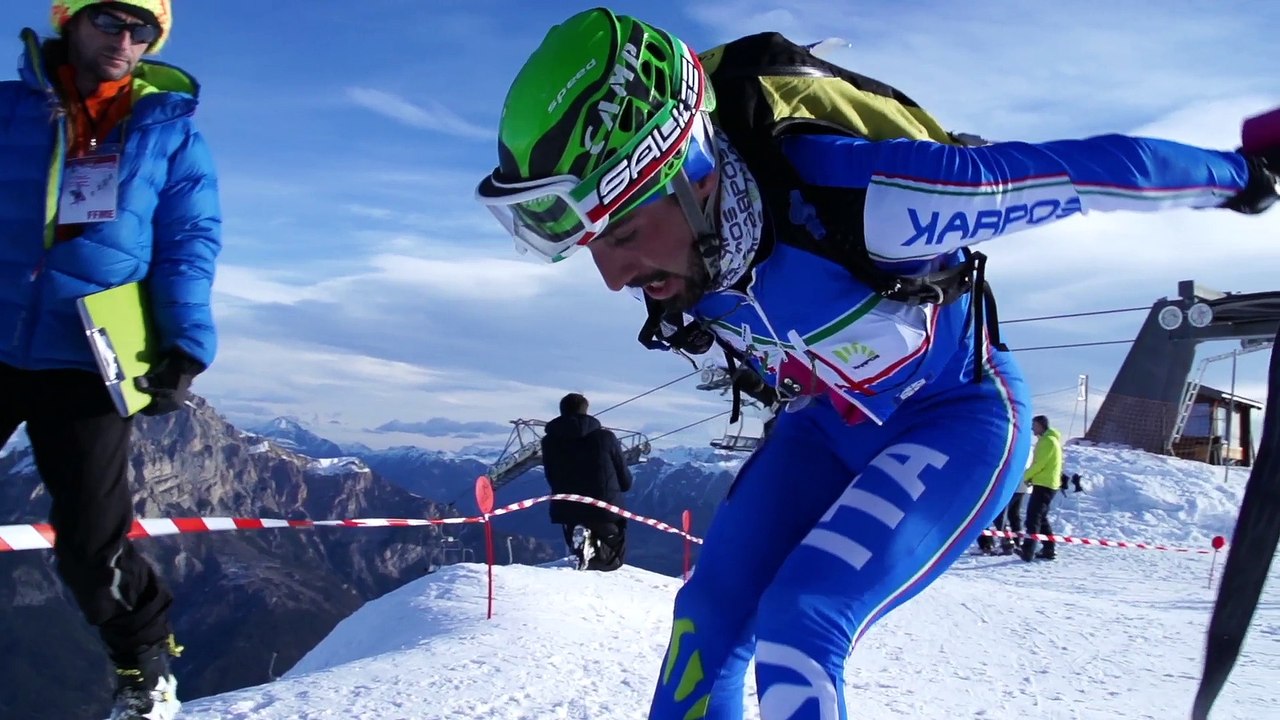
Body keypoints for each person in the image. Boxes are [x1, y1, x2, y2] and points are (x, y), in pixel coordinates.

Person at [474, 9, 1277, 718]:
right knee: (704, 626)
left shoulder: (874, 200)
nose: (614, 277)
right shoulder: (691, 252)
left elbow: (1091, 172)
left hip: (957, 419)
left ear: (695, 174)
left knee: (800, 627)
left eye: (619, 234)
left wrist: (1248, 175)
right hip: (825, 427)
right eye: (590, 247)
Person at [0, 2, 220, 718]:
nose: (126, 41)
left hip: (86, 357)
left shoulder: (171, 135)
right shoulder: (9, 111)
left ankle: (145, 668)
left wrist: (184, 342)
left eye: (143, 30)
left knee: (91, 547)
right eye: (109, 22)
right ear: (69, 21)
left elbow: (190, 242)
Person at [539, 393, 634, 571]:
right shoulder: (606, 438)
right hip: (605, 508)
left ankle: (581, 545)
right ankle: (590, 549)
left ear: (562, 411)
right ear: (586, 410)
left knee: (580, 545)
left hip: (567, 507)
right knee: (612, 561)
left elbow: (550, 475)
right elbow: (625, 481)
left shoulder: (549, 441)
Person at [1021, 416, 1065, 562]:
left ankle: (1027, 551)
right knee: (1042, 518)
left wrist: (1025, 476)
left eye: (1034, 425)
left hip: (1044, 485)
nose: (1032, 428)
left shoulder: (1047, 442)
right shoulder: (1050, 441)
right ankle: (1049, 549)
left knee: (1033, 518)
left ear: (1041, 425)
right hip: (1046, 484)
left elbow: (1040, 464)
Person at [976, 484, 1024, 556]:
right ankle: (1014, 542)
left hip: (1009, 487)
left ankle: (1002, 543)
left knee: (997, 515)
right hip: (1022, 488)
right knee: (1013, 515)